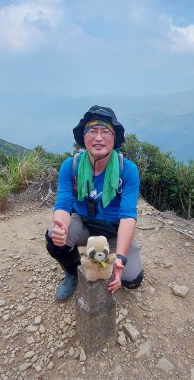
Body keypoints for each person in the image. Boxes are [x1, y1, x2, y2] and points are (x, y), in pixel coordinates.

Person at [45, 105, 143, 302]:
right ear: (84, 137)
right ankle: (73, 274)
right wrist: (61, 226)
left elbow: (128, 216)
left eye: (105, 131)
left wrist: (121, 259)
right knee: (53, 238)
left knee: (132, 280)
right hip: (84, 223)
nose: (98, 137)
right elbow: (63, 204)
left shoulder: (127, 170)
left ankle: (116, 258)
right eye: (92, 131)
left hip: (114, 230)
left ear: (114, 139)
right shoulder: (70, 166)